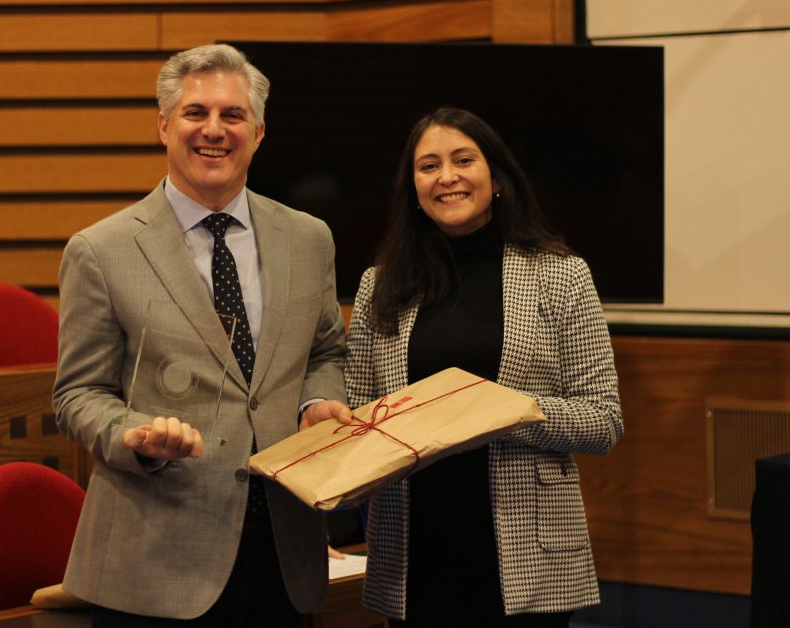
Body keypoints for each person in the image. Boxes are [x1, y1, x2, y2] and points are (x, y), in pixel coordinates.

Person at [52, 43, 350, 627]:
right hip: (154, 559)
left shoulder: (310, 238)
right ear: (164, 125)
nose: (213, 130)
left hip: (284, 555)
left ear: (259, 132)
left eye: (232, 115)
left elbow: (325, 350)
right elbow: (76, 396)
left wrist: (316, 400)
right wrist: (132, 436)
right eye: (195, 113)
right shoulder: (100, 250)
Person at [345, 107, 623, 627]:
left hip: (527, 557)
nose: (446, 176)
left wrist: (510, 411)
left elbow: (604, 422)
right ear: (413, 187)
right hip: (413, 550)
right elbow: (360, 416)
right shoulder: (377, 287)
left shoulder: (561, 277)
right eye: (428, 166)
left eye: (463, 160)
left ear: (495, 177)